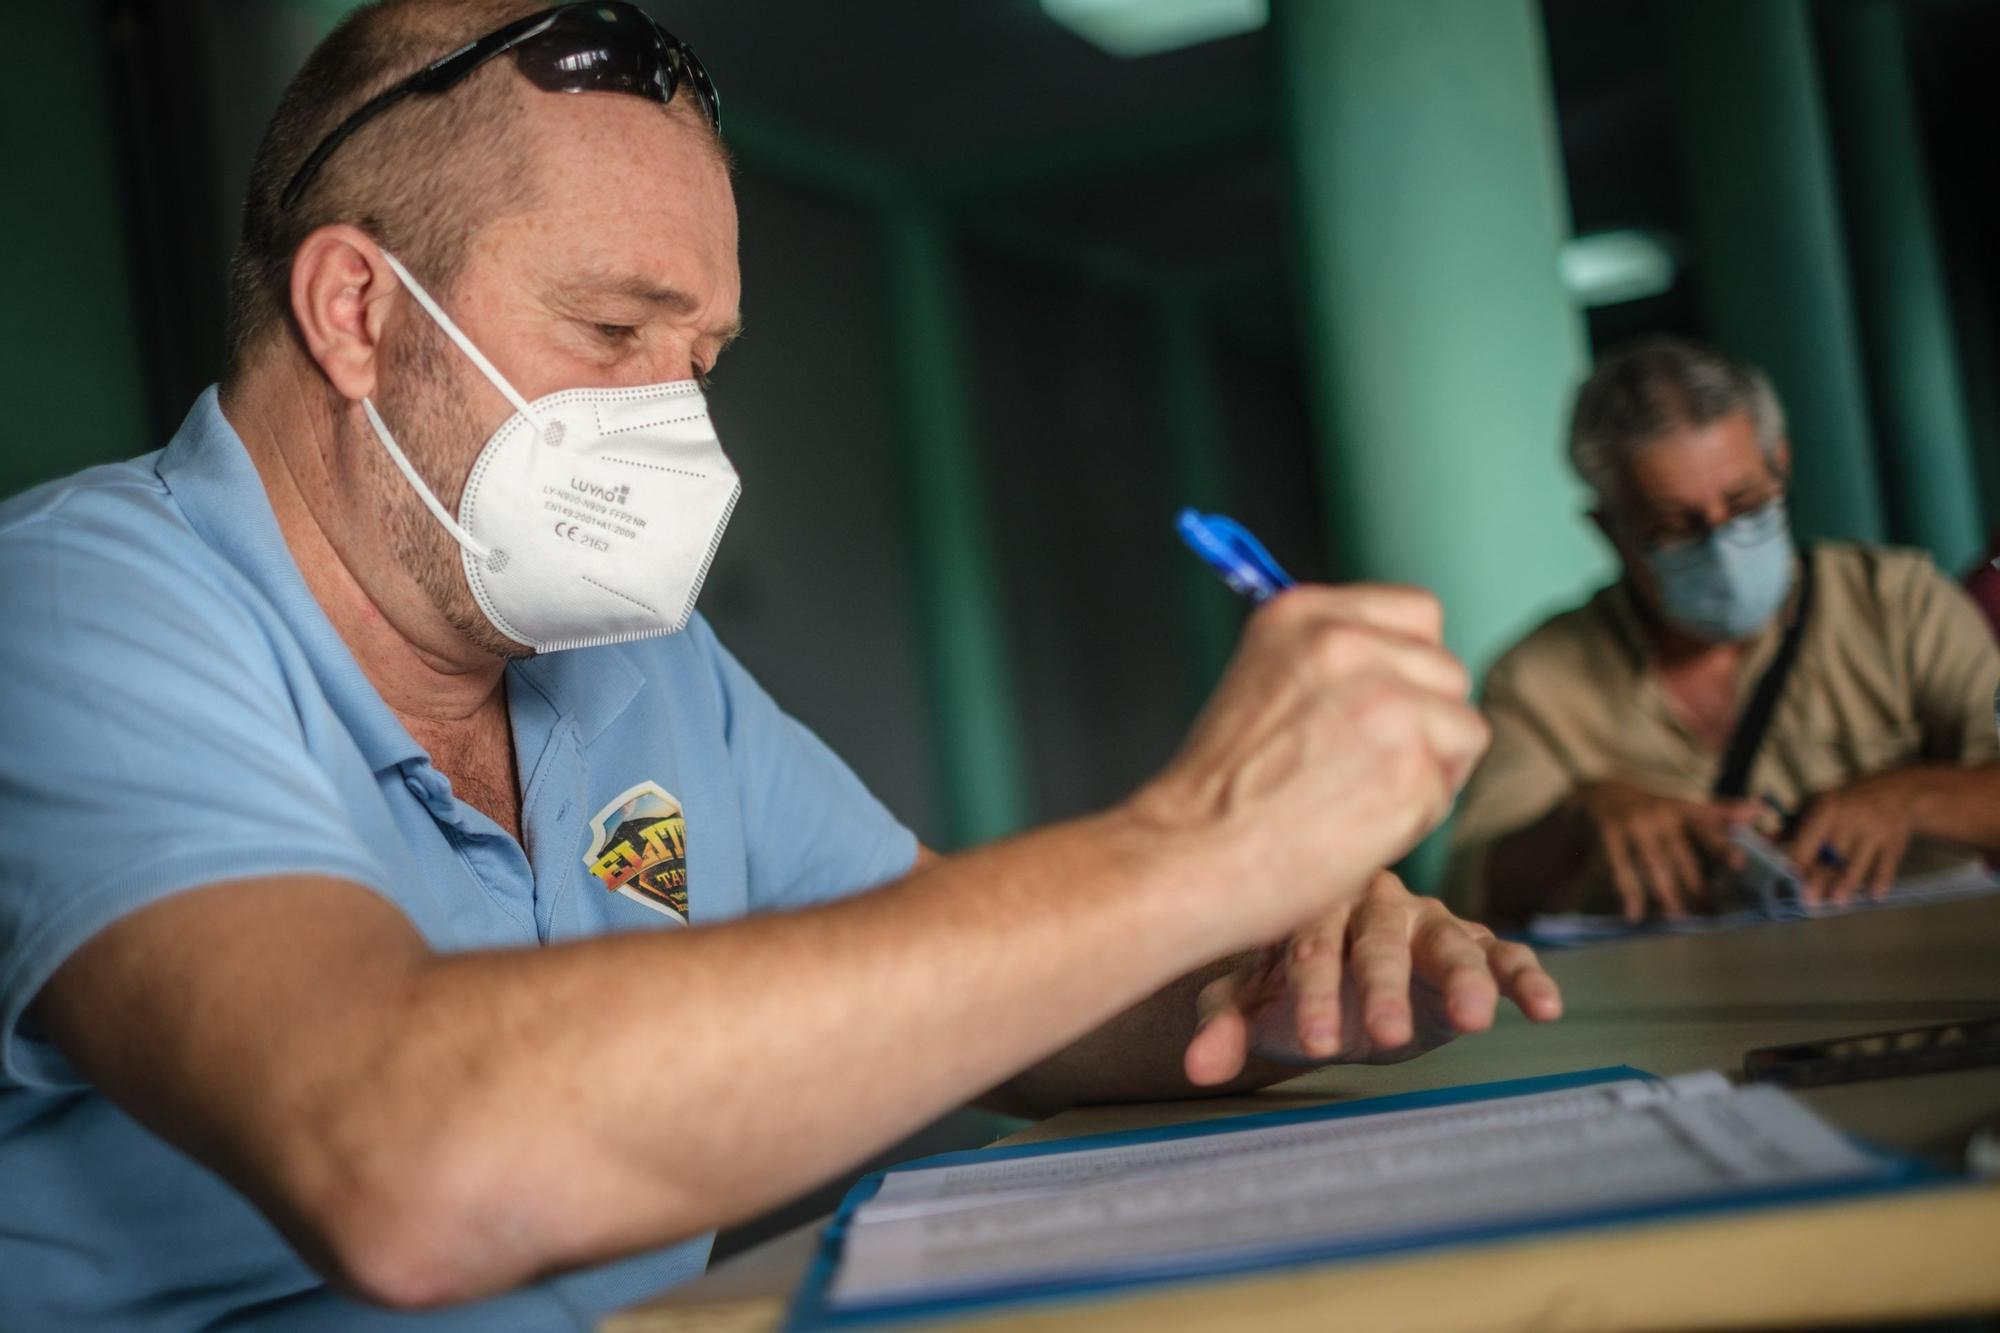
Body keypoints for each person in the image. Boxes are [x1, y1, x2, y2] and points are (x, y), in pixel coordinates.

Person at [0, 3, 1561, 1328]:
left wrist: (1256, 973)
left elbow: (967, 983)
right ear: (353, 311)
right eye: (615, 330)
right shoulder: (74, 613)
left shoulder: (640, 664)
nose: (682, 431)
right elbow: (406, 1162)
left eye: (704, 360)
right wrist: (1183, 847)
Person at [1445, 337, 2000, 930]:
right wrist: (1584, 817)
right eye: (1676, 526)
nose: (1724, 544)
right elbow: (1481, 893)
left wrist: (1911, 798)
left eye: (1745, 502)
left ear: (1779, 464)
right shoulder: (1537, 680)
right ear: (1610, 529)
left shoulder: (1900, 603)